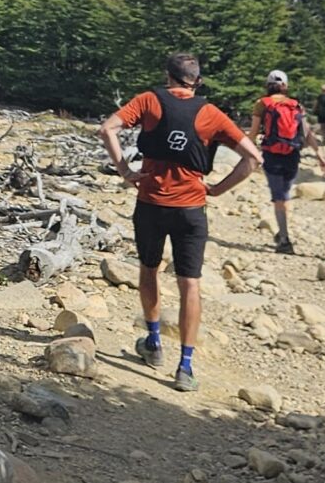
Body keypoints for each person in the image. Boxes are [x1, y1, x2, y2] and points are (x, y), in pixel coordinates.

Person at [99, 53, 256, 393]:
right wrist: (217, 189)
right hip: (191, 209)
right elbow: (252, 158)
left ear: (167, 75)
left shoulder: (149, 100)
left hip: (151, 204)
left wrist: (125, 171)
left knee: (149, 269)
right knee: (191, 284)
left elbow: (107, 129)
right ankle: (185, 366)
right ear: (197, 81)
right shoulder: (211, 113)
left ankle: (154, 343)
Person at [251, 70, 308, 254]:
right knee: (284, 194)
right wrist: (320, 155)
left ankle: (284, 238)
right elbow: (306, 133)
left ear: (267, 85)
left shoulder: (262, 104)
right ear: (286, 86)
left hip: (272, 154)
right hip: (292, 154)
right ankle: (282, 232)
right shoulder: (296, 105)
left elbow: (252, 132)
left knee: (278, 198)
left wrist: (248, 151)